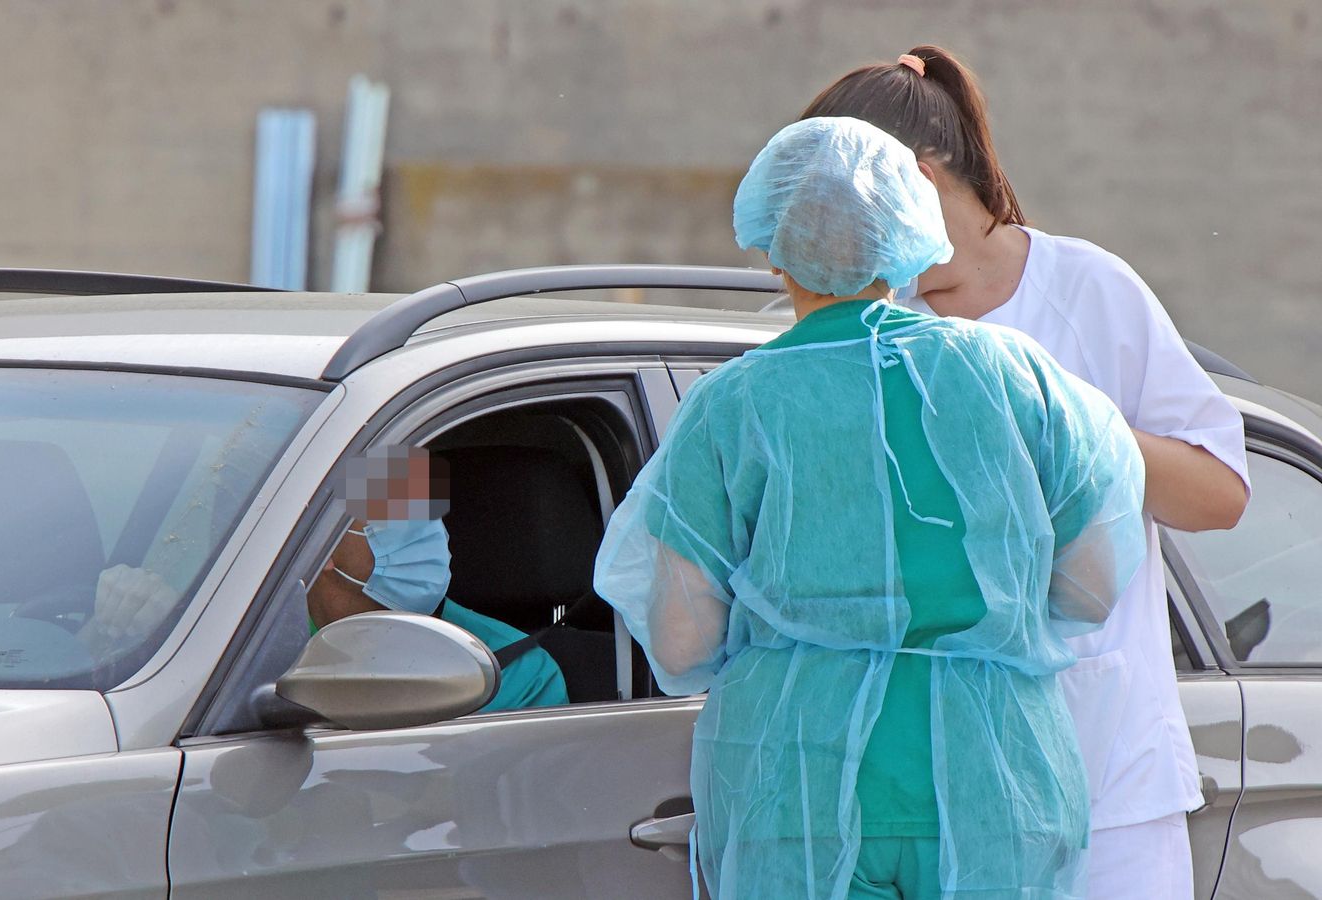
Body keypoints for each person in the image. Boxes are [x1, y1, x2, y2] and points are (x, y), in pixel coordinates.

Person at [594, 117, 1148, 899]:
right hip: (996, 784)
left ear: (774, 246)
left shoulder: (734, 404)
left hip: (798, 791)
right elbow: (1092, 586)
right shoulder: (1014, 375)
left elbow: (682, 643)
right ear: (908, 232)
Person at [798, 46, 1250, 899]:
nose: (847, 240)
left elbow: (1218, 494)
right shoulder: (868, 320)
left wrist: (1069, 425)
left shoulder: (1089, 290)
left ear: (922, 178)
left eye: (856, 209)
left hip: (1106, 786)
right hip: (925, 804)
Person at [305, 445, 568, 712]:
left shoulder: (515, 673)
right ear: (322, 543)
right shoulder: (279, 643)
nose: (423, 528)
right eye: (391, 510)